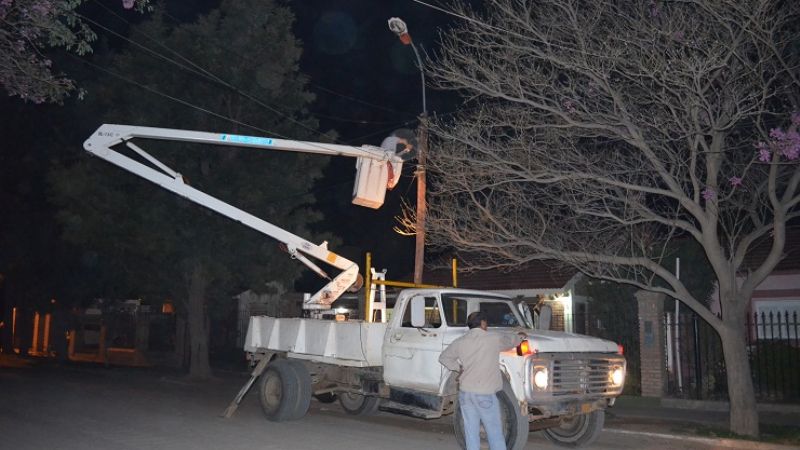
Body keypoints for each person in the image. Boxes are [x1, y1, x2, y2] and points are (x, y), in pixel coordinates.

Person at [439, 311, 526, 450]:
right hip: (485, 394)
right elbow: (512, 341)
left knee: (471, 434)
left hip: (466, 393)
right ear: (483, 323)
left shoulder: (460, 341)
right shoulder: (492, 338)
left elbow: (444, 357)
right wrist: (521, 335)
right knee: (495, 434)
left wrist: (459, 368)